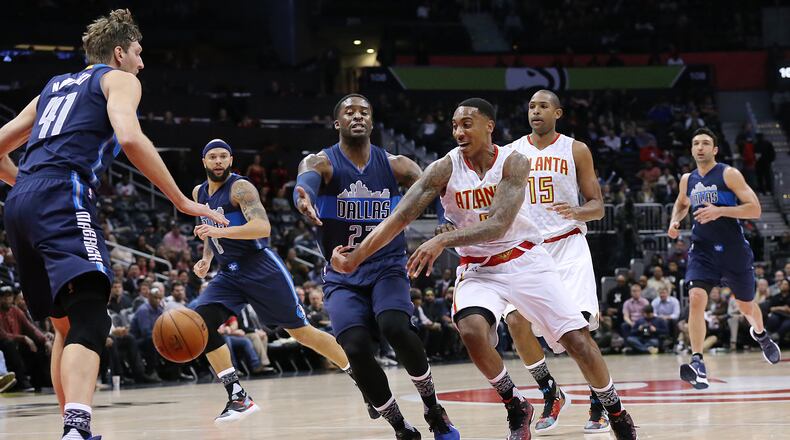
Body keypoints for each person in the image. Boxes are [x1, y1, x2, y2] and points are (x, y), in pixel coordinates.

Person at [332, 98, 636, 440]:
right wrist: (355, 257)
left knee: (578, 341)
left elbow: (499, 225)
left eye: (466, 124)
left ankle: (616, 411)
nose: (459, 131)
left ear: (488, 126)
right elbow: (399, 216)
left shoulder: (514, 162)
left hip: (525, 260)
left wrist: (442, 241)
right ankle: (515, 403)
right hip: (479, 269)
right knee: (472, 330)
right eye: (454, 126)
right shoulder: (444, 168)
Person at [0, 9, 225, 440]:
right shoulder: (118, 79)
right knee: (91, 318)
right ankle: (77, 428)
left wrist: (28, 183)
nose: (142, 63)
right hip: (61, 196)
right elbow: (129, 137)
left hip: (20, 203)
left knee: (64, 326)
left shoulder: (51, 87)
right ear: (119, 53)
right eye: (138, 54)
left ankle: (72, 427)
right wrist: (180, 200)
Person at [294, 94, 459, 440]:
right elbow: (305, 179)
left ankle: (433, 408)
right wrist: (303, 197)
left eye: (364, 112)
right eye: (349, 112)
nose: (357, 116)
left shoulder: (395, 164)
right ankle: (400, 426)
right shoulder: (323, 162)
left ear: (372, 122)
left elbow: (434, 185)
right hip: (343, 275)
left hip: (386, 266)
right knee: (354, 348)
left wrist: (444, 220)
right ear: (337, 123)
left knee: (396, 326)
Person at [188, 138, 362, 426]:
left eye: (223, 157)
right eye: (212, 157)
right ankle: (238, 396)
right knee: (199, 324)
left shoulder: (241, 187)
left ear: (230, 161)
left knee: (302, 333)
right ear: (204, 162)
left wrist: (219, 233)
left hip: (260, 267)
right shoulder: (198, 192)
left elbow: (261, 227)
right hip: (228, 273)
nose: (218, 161)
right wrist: (207, 257)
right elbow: (209, 231)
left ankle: (362, 376)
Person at [502, 89, 616, 434]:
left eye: (543, 107)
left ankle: (600, 399)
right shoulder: (509, 153)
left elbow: (597, 205)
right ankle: (550, 390)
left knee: (577, 330)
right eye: (532, 107)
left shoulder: (575, 149)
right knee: (515, 321)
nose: (535, 112)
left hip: (568, 244)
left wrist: (578, 211)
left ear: (558, 113)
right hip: (529, 250)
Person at [668, 127, 781, 389]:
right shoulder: (688, 179)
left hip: (733, 250)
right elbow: (682, 202)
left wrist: (721, 211)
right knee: (696, 298)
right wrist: (675, 220)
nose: (700, 147)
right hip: (703, 249)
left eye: (705, 143)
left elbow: (754, 209)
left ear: (715, 149)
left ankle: (762, 336)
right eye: (695, 143)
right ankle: (698, 362)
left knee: (746, 307)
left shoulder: (729, 174)